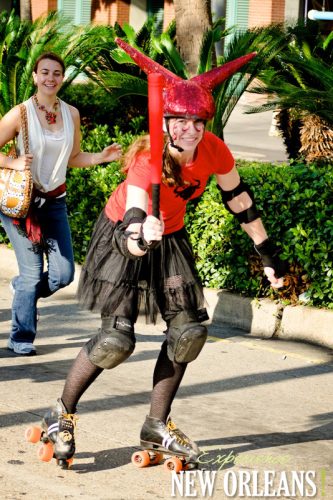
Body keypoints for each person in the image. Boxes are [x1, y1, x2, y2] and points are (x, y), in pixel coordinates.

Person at [40, 40, 286, 469]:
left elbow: (240, 200)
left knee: (188, 332)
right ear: (167, 121)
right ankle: (60, 414)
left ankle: (156, 424)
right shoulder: (147, 161)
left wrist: (266, 252)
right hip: (123, 235)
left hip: (170, 238)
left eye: (198, 121)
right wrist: (141, 236)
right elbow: (130, 222)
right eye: (181, 121)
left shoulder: (213, 151)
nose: (190, 130)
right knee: (116, 340)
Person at [0, 52, 122, 356]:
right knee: (32, 274)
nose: (50, 78)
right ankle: (21, 337)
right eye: (44, 72)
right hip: (22, 204)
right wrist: (13, 163)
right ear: (35, 76)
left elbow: (73, 157)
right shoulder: (20, 113)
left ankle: (23, 293)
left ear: (62, 78)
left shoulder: (71, 113)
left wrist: (100, 157)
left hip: (55, 201)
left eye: (56, 73)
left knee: (63, 275)